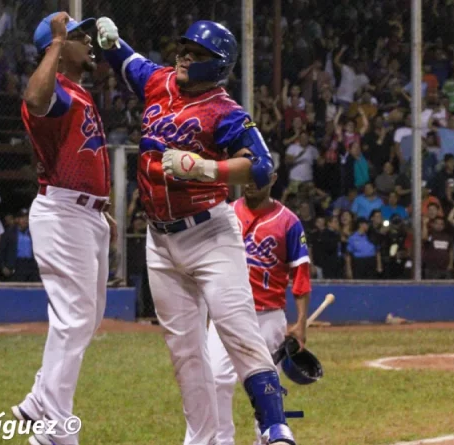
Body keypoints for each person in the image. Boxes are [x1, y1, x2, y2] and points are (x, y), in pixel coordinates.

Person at [100, 17, 297, 444]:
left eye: (197, 53)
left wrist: (209, 168)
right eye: (184, 48)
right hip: (159, 240)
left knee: (238, 331)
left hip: (209, 235)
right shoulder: (159, 81)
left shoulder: (224, 111)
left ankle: (274, 428)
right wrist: (112, 37)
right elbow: (127, 59)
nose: (185, 56)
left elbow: (263, 167)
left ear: (218, 65)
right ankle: (205, 440)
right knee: (186, 352)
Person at [9, 12, 113, 445]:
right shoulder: (56, 95)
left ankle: (38, 401)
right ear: (55, 47)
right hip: (64, 211)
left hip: (88, 215)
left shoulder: (75, 92)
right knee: (73, 320)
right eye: (77, 36)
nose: (87, 40)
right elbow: (33, 99)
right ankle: (54, 428)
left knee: (86, 319)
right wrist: (54, 41)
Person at [197, 173, 311, 445]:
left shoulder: (289, 222)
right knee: (215, 379)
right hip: (226, 312)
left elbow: (301, 275)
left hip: (268, 316)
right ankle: (222, 440)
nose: (250, 183)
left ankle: (267, 439)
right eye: (246, 177)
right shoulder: (225, 213)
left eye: (257, 177)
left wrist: (302, 324)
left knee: (268, 389)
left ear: (272, 178)